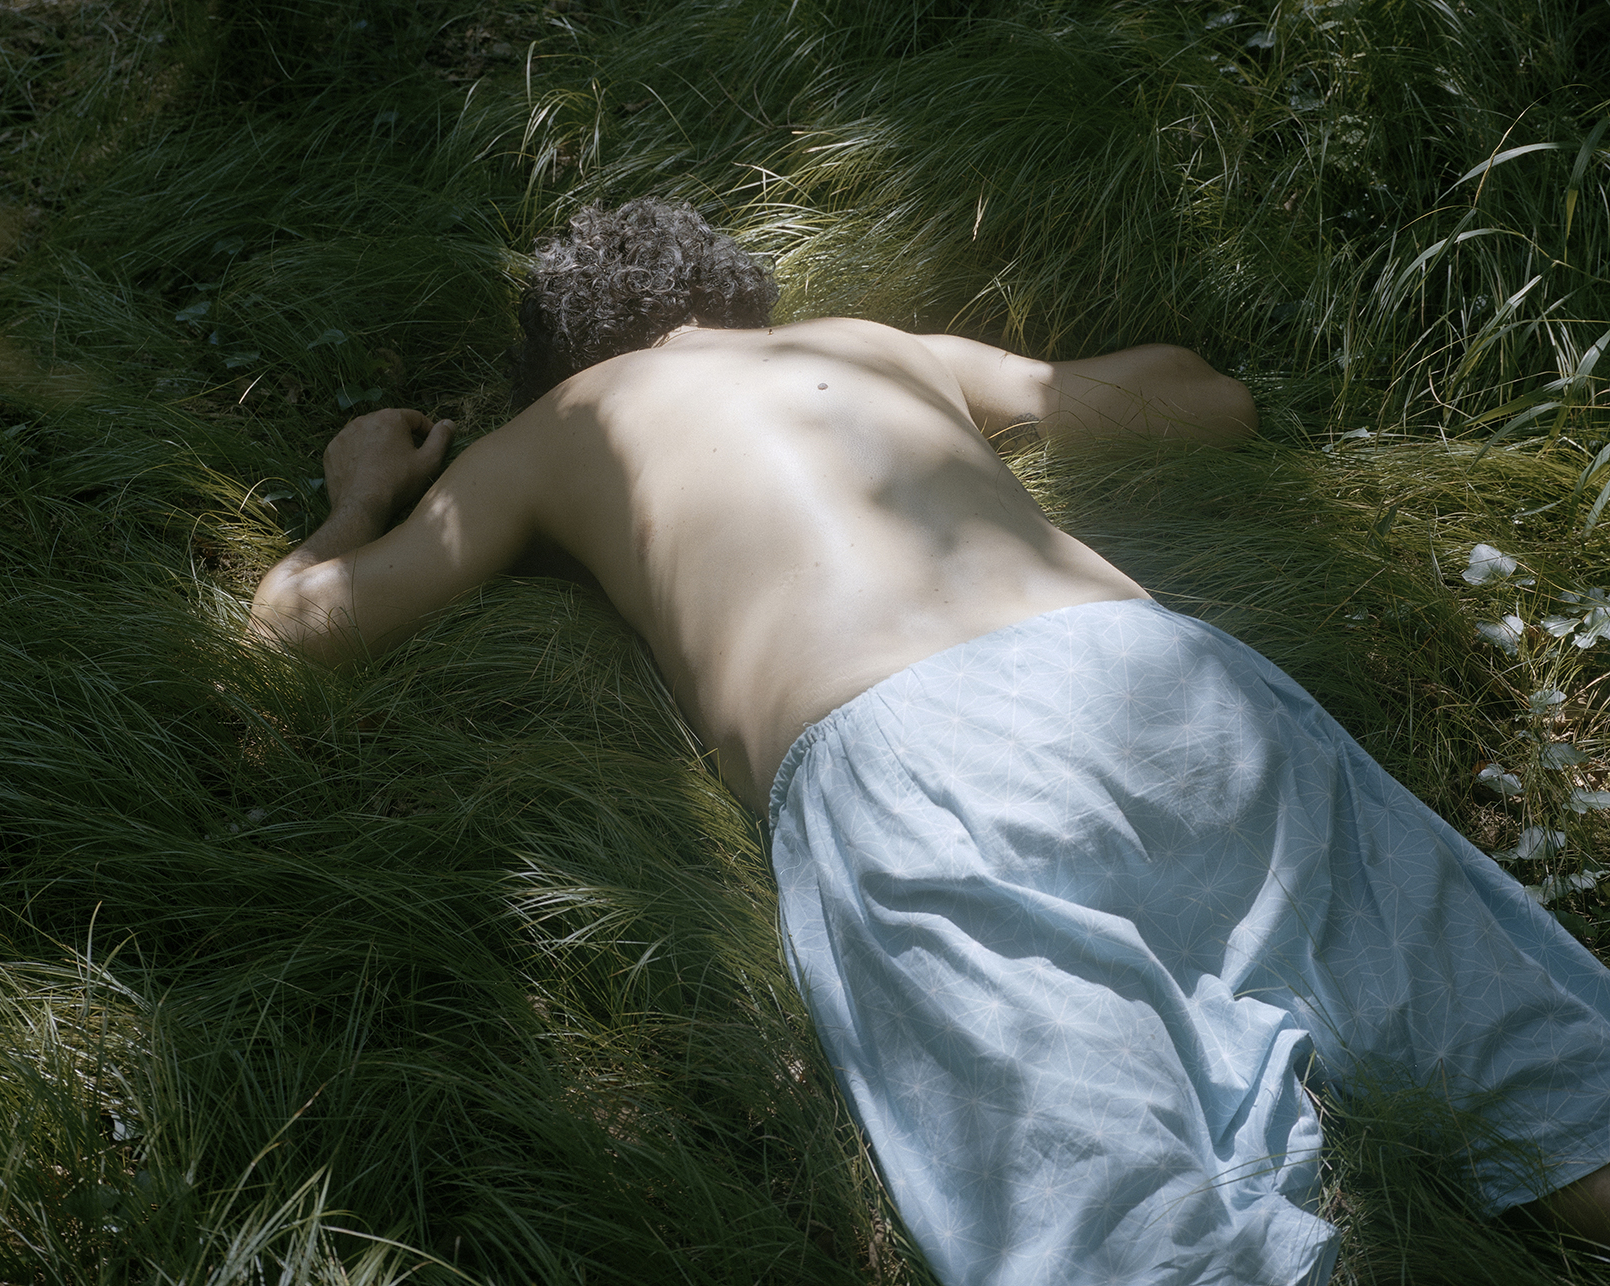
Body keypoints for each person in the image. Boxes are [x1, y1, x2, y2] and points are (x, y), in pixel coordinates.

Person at [250, 198, 1610, 1285]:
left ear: (564, 353)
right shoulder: (870, 345)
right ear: (737, 303)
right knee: (1549, 1077)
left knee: (1124, 1244)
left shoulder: (558, 424)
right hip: (1153, 674)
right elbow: (1209, 405)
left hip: (903, 751)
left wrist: (360, 492)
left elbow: (297, 628)